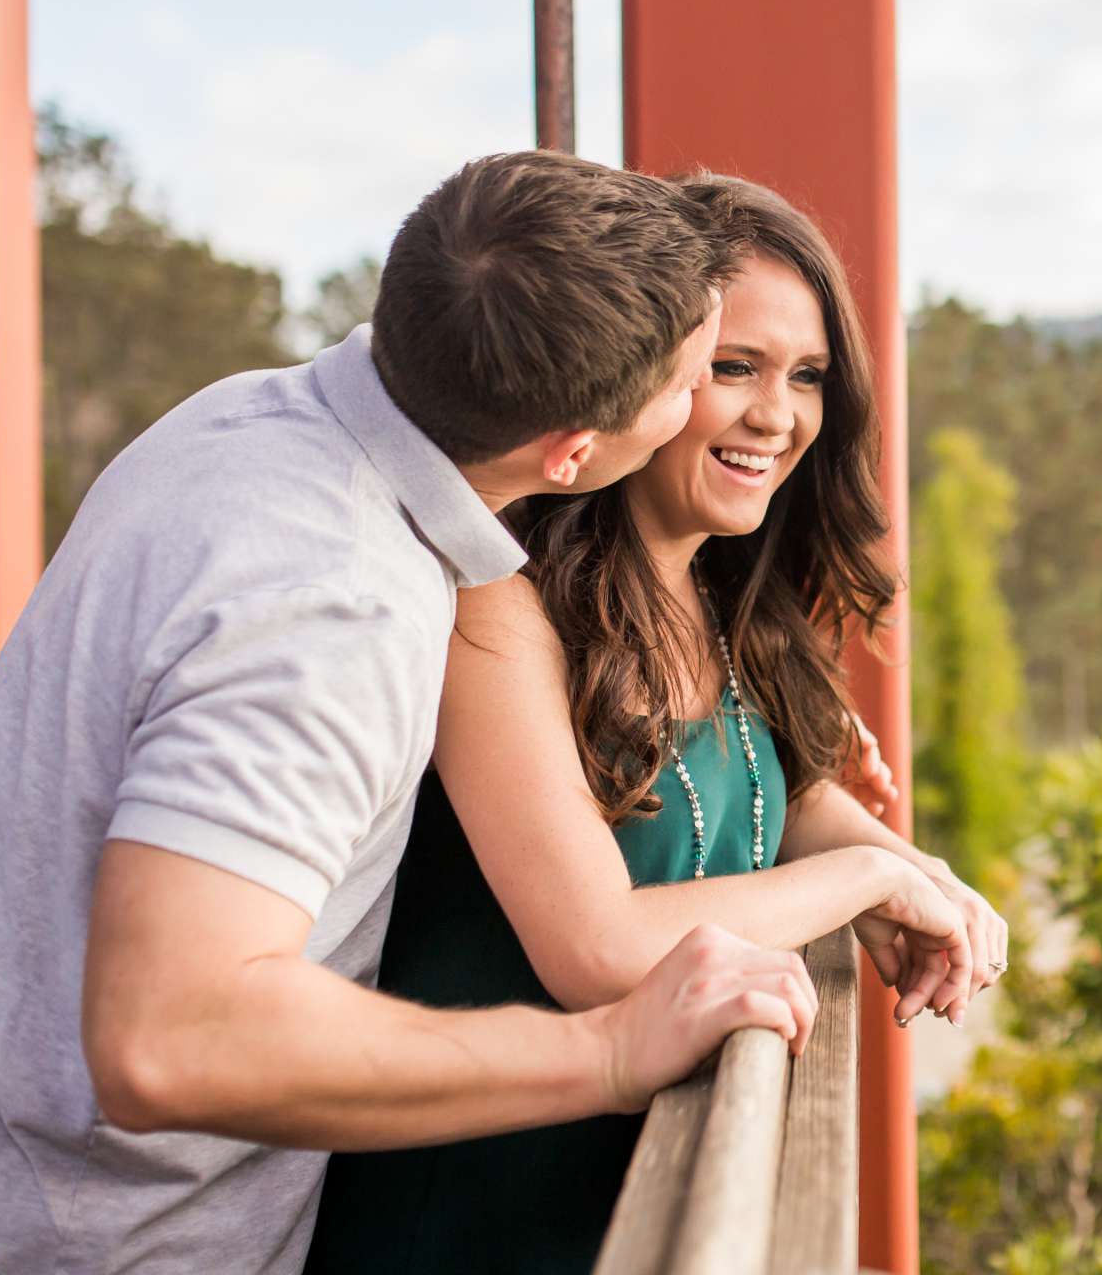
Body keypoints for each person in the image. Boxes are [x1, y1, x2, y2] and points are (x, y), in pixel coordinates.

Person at [0, 153, 827, 1274]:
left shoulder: (245, 420)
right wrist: (609, 1051)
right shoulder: (333, 604)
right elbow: (172, 1037)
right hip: (90, 1248)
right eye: (695, 376)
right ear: (574, 454)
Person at [305, 176, 1007, 1274]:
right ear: (650, 374)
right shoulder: (501, 602)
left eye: (808, 376)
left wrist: (916, 871)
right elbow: (599, 948)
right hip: (475, 1205)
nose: (779, 415)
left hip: (640, 1182)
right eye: (735, 368)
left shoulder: (728, 590)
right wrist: (870, 886)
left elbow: (776, 791)